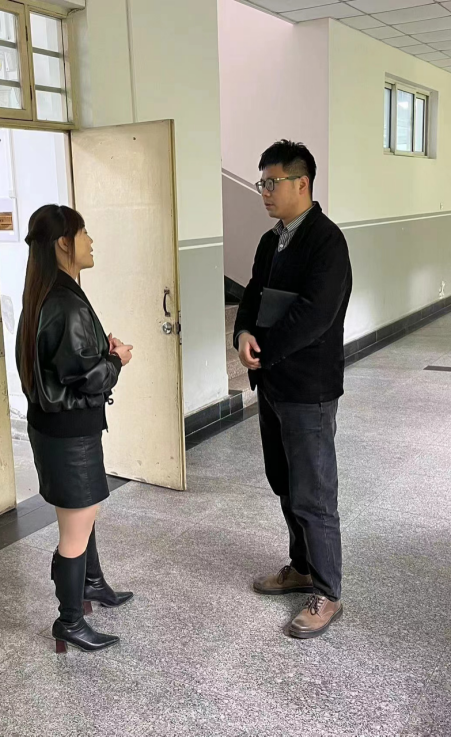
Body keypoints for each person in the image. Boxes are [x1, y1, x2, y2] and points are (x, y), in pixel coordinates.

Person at [234, 140, 352, 639]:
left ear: (302, 183)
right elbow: (252, 293)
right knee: (284, 480)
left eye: (272, 182)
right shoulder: (271, 241)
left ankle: (327, 591)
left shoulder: (327, 242)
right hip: (273, 385)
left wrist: (267, 349)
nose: (264, 191)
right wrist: (243, 333)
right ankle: (301, 567)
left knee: (314, 492)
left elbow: (314, 316)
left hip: (308, 388)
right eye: (261, 182)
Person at [16, 204, 134, 654]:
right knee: (76, 526)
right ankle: (69, 621)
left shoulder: (47, 294)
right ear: (64, 243)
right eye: (83, 233)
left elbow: (67, 363)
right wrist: (116, 359)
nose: (90, 241)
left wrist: (101, 350)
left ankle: (93, 583)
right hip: (68, 433)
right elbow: (87, 376)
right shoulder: (64, 301)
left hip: (58, 427)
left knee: (84, 512)